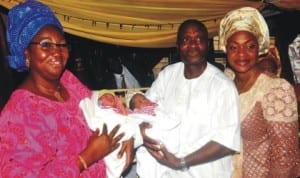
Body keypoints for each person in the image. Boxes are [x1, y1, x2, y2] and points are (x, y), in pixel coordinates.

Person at [0, 1, 134, 177]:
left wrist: (126, 133)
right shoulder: (17, 115)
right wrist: (86, 158)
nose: (57, 52)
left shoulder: (67, 80)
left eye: (62, 44)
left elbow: (95, 105)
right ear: (26, 53)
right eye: (46, 45)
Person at [140, 19, 241, 178]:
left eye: (199, 39)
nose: (193, 45)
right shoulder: (168, 75)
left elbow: (227, 142)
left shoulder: (222, 86)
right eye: (186, 40)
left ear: (207, 45)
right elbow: (146, 106)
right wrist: (143, 126)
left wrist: (181, 162)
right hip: (168, 173)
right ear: (178, 45)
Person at [219, 6, 300, 177]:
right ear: (226, 49)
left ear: (259, 48)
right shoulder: (225, 84)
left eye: (249, 46)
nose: (242, 54)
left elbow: (284, 160)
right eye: (234, 47)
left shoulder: (275, 90)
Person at [127, 92, 181, 178]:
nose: (143, 102)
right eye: (139, 102)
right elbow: (134, 123)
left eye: (143, 99)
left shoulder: (157, 107)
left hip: (165, 134)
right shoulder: (136, 114)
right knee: (149, 165)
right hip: (149, 142)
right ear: (135, 108)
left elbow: (167, 115)